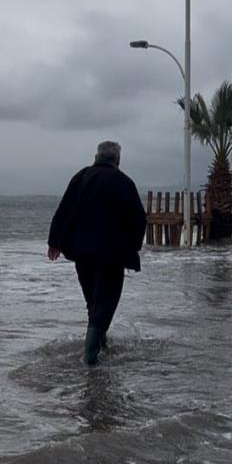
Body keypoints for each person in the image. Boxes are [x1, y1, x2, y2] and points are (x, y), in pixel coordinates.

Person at [47, 141, 147, 366]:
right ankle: (90, 355)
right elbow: (139, 219)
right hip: (112, 254)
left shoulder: (81, 177)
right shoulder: (123, 182)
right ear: (117, 160)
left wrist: (55, 242)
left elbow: (64, 210)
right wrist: (134, 247)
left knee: (93, 300)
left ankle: (101, 343)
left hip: (82, 253)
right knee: (106, 300)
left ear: (96, 157)